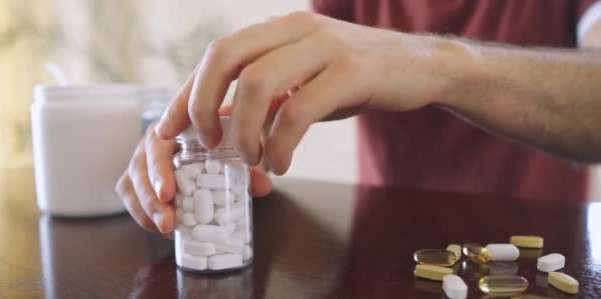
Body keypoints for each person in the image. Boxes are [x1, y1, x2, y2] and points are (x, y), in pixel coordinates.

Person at [116, 1, 601, 236]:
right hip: (384, 271)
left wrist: (438, 64)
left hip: (541, 262)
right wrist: (211, 143)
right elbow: (290, 96)